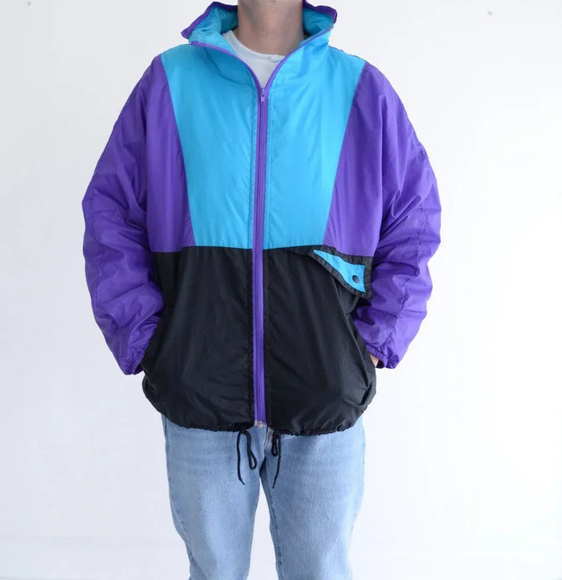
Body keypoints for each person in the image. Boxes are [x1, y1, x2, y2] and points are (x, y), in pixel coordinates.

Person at [80, 0, 442, 577]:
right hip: (199, 389)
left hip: (323, 391)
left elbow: (413, 220)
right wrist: (147, 340)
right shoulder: (170, 81)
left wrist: (374, 342)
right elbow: (112, 212)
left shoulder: (359, 89)